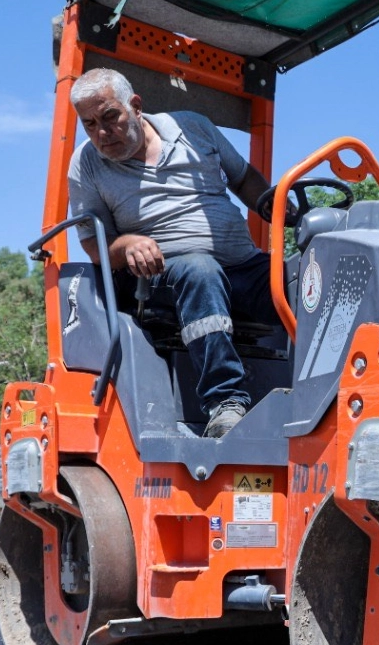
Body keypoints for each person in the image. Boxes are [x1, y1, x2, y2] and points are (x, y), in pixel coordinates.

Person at [67, 67, 277, 438]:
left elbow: (243, 179)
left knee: (305, 277)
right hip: (160, 277)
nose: (102, 132)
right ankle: (225, 402)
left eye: (110, 116)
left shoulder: (194, 129)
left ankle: (325, 396)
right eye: (90, 124)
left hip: (242, 265)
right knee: (201, 270)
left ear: (135, 105)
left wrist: (277, 208)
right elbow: (93, 244)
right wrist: (129, 244)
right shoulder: (87, 165)